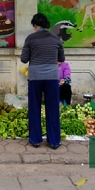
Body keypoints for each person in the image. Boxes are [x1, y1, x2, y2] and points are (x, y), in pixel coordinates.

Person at [20, 13, 65, 150]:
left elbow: (24, 59)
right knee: (52, 108)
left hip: (35, 77)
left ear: (35, 25)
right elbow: (61, 58)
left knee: (35, 107)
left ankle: (35, 139)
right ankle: (54, 141)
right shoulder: (55, 39)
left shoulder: (30, 38)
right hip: (52, 77)